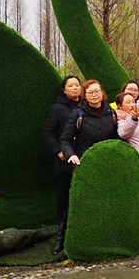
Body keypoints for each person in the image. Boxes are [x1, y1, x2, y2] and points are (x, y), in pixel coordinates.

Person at [57, 80, 118, 252]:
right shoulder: (78, 114)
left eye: (97, 91)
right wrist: (71, 155)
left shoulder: (110, 112)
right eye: (90, 92)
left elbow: (116, 137)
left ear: (102, 92)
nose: (94, 95)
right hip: (84, 163)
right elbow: (65, 139)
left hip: (105, 164)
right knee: (75, 202)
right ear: (85, 95)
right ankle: (62, 240)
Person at [42, 76, 81, 257]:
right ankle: (61, 232)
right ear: (64, 90)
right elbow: (48, 133)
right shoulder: (57, 109)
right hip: (64, 160)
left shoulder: (86, 106)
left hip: (82, 156)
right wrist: (59, 151)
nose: (75, 88)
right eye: (71, 86)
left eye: (77, 85)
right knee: (64, 194)